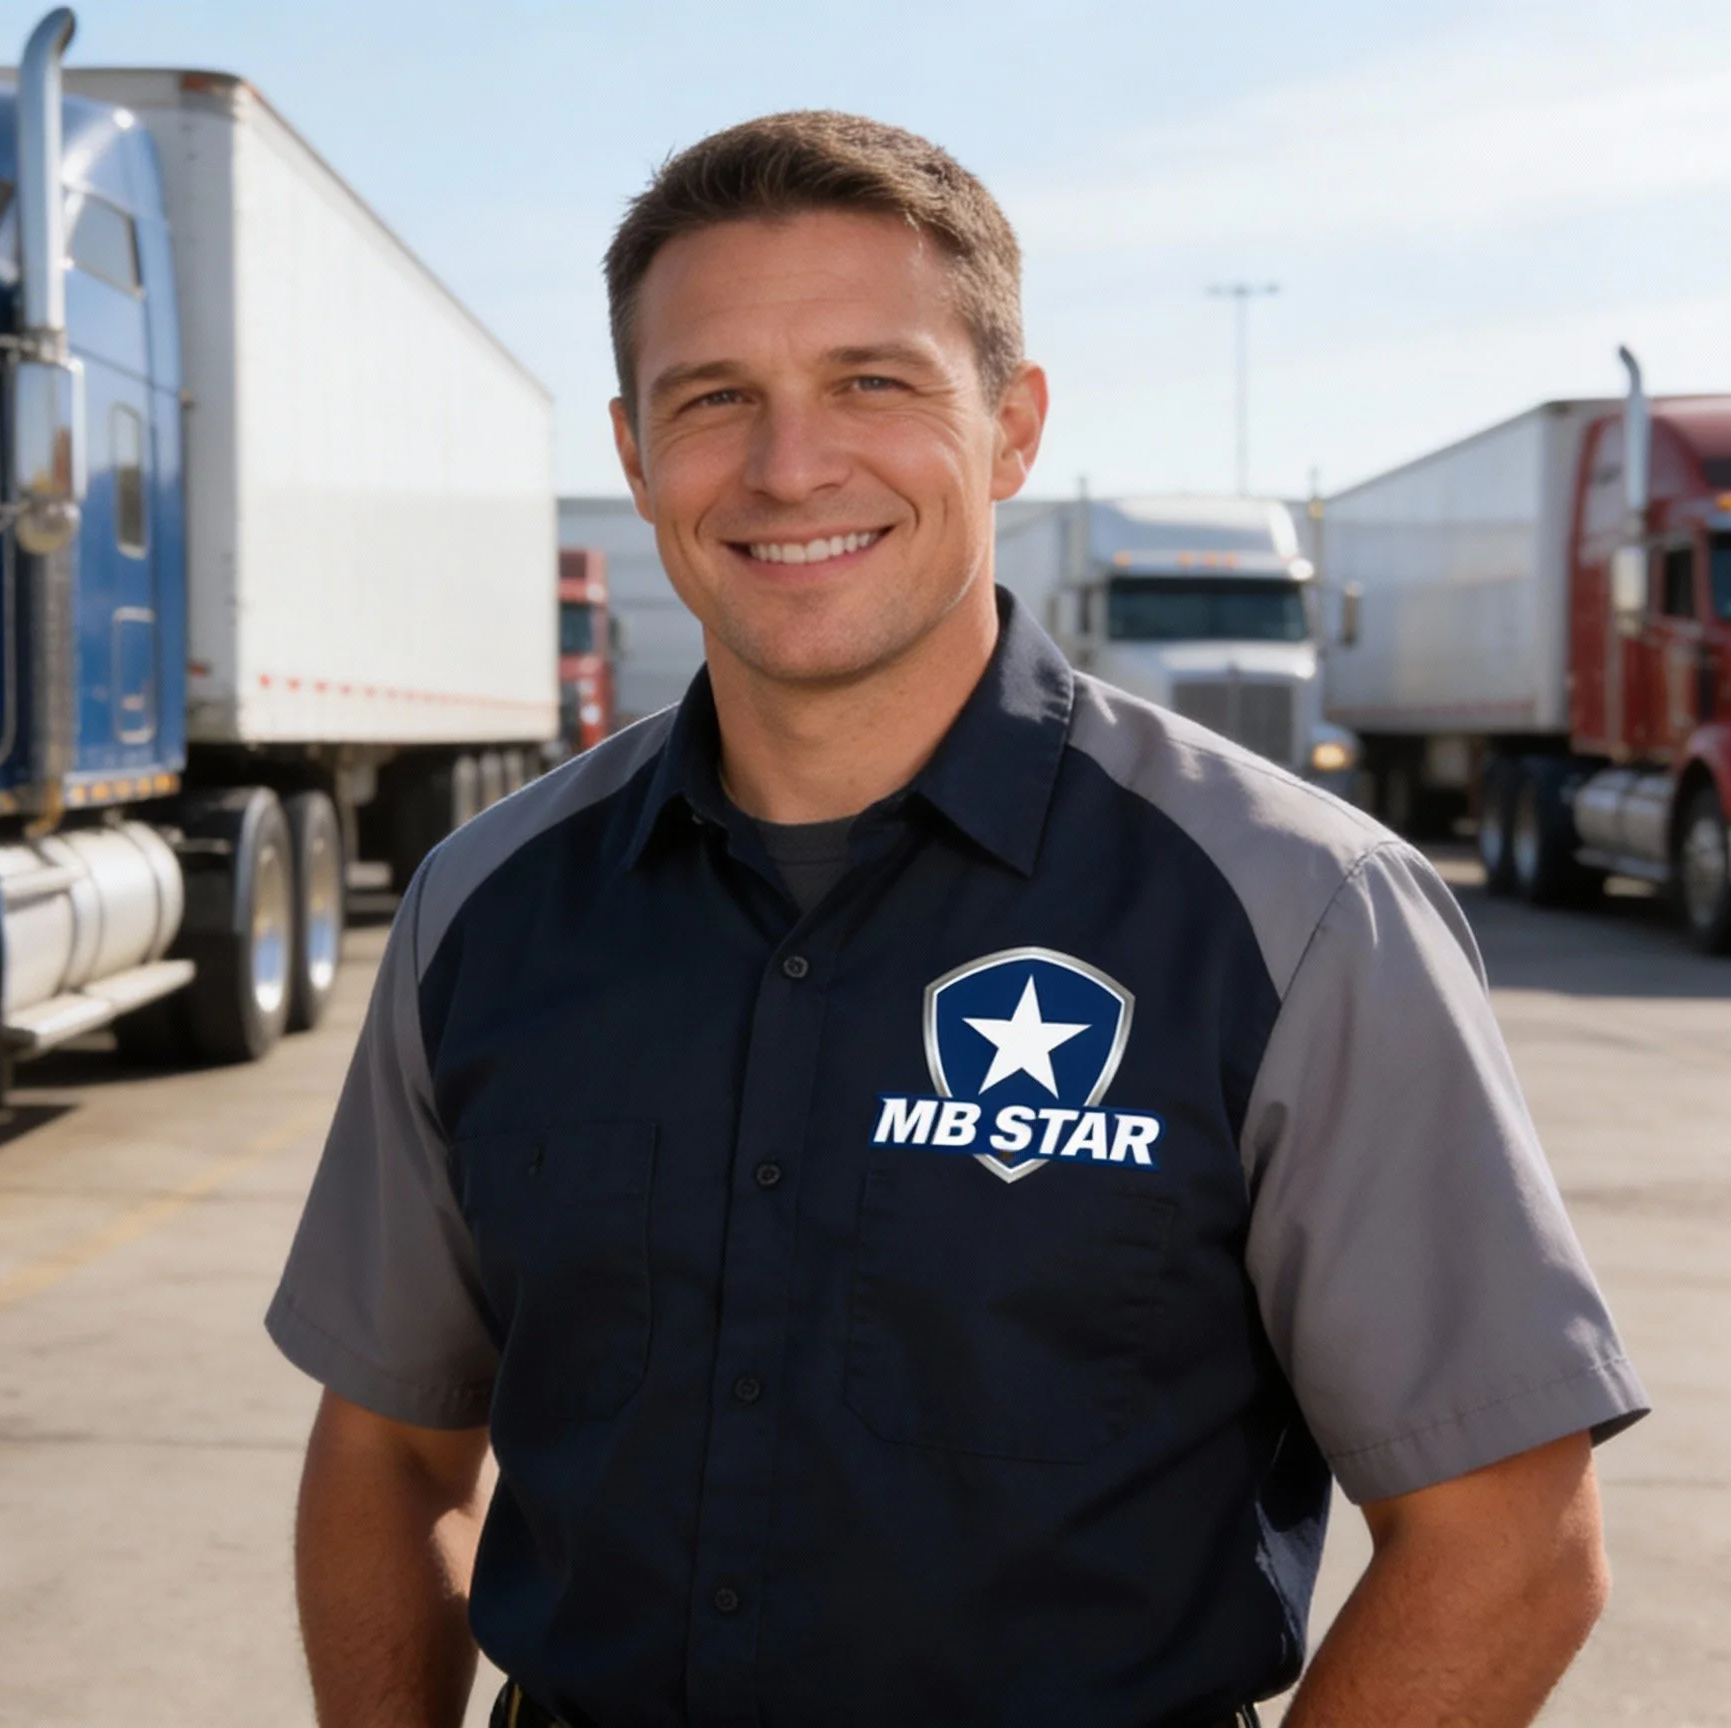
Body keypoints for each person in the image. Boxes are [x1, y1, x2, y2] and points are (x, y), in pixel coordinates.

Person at [266, 111, 1648, 1728]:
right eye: (715, 399)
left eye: (875, 380)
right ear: (639, 456)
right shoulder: (482, 909)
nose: (792, 467)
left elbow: (1511, 1537)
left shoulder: (1299, 916)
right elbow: (389, 1446)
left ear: (1010, 427)